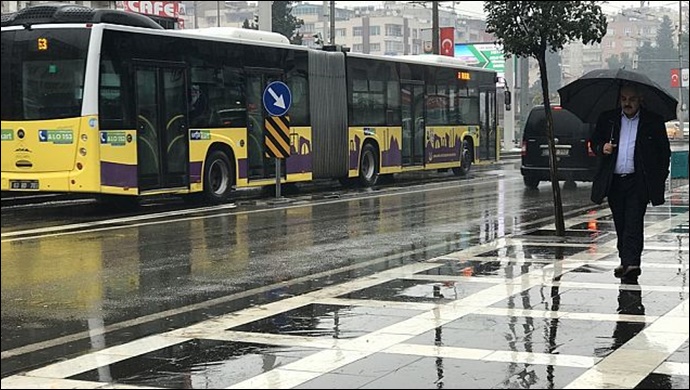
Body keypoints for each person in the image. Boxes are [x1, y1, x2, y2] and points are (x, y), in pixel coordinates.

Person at [590, 83, 671, 283]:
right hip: (615, 181)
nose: (628, 103)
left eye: (632, 99)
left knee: (634, 222)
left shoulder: (652, 121)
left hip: (638, 182)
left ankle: (632, 263)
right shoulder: (608, 119)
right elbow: (594, 142)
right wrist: (603, 148)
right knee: (621, 223)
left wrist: (658, 178)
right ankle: (625, 260)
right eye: (624, 99)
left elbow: (663, 152)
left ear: (640, 99)